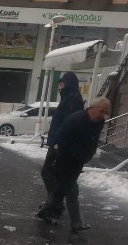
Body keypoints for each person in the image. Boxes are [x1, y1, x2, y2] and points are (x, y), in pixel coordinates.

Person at [37, 97, 111, 233]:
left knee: (62, 190)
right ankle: (77, 223)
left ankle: (45, 210)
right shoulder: (75, 119)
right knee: (72, 191)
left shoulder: (99, 121)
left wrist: (88, 155)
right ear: (92, 108)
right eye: (101, 111)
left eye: (106, 112)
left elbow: (93, 141)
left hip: (78, 160)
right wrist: (72, 153)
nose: (103, 115)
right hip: (64, 158)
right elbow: (60, 138)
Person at [40, 72, 84, 218]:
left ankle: (55, 204)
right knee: (56, 175)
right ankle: (53, 203)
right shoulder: (70, 98)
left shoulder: (72, 99)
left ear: (68, 84)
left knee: (48, 173)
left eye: (61, 84)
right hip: (58, 143)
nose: (59, 88)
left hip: (60, 145)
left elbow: (69, 124)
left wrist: (59, 144)